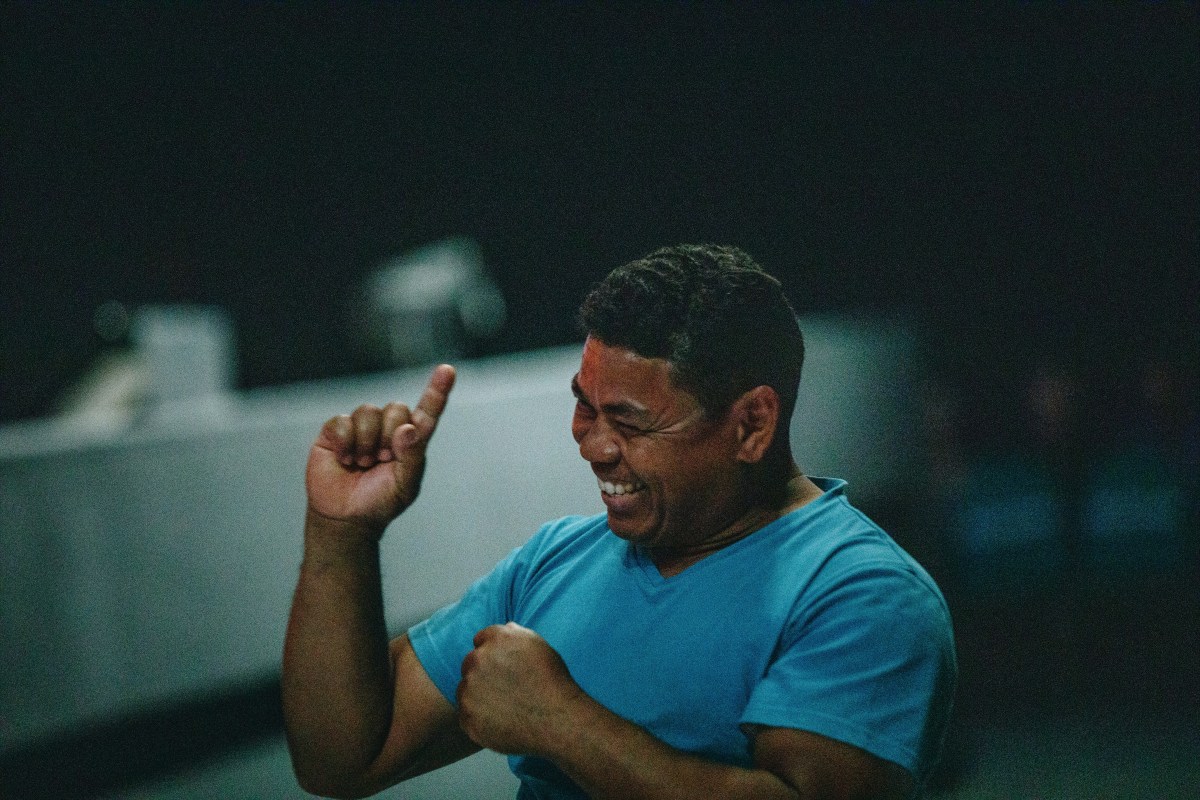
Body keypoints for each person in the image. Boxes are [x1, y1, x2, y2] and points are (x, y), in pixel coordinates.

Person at [282, 244, 957, 800]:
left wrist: (563, 723)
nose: (594, 445)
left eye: (631, 422)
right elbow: (343, 758)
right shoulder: (555, 561)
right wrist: (341, 532)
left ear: (752, 424)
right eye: (585, 407)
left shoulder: (860, 593)